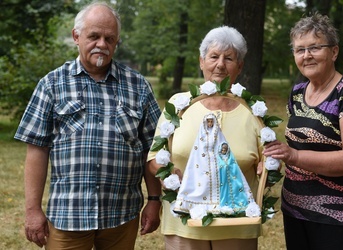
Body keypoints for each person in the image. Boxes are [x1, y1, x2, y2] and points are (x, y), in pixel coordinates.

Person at [14, 2, 162, 249]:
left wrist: (155, 200)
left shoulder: (138, 86)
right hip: (67, 215)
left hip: (122, 215)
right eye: (94, 36)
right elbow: (37, 150)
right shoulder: (51, 84)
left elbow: (154, 148)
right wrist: (32, 210)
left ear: (116, 43)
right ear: (76, 36)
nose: (102, 44)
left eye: (109, 38)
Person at [263, 13, 343, 250]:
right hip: (295, 208)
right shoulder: (297, 93)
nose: (307, 56)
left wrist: (294, 156)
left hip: (339, 214)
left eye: (315, 47)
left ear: (334, 52)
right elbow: (298, 142)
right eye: (299, 50)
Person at [147, 26, 264, 250]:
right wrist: (165, 173)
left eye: (229, 58)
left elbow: (267, 159)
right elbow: (154, 157)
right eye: (213, 56)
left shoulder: (253, 112)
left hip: (237, 225)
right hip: (184, 223)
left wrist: (266, 163)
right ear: (202, 62)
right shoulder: (179, 106)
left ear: (239, 66)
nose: (220, 64)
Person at [173, 113, 254, 215]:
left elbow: (224, 151)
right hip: (202, 165)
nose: (210, 123)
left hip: (217, 166)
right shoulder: (201, 136)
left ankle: (220, 205)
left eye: (212, 121)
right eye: (208, 122)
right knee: (201, 184)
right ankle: (195, 205)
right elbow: (197, 154)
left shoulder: (219, 136)